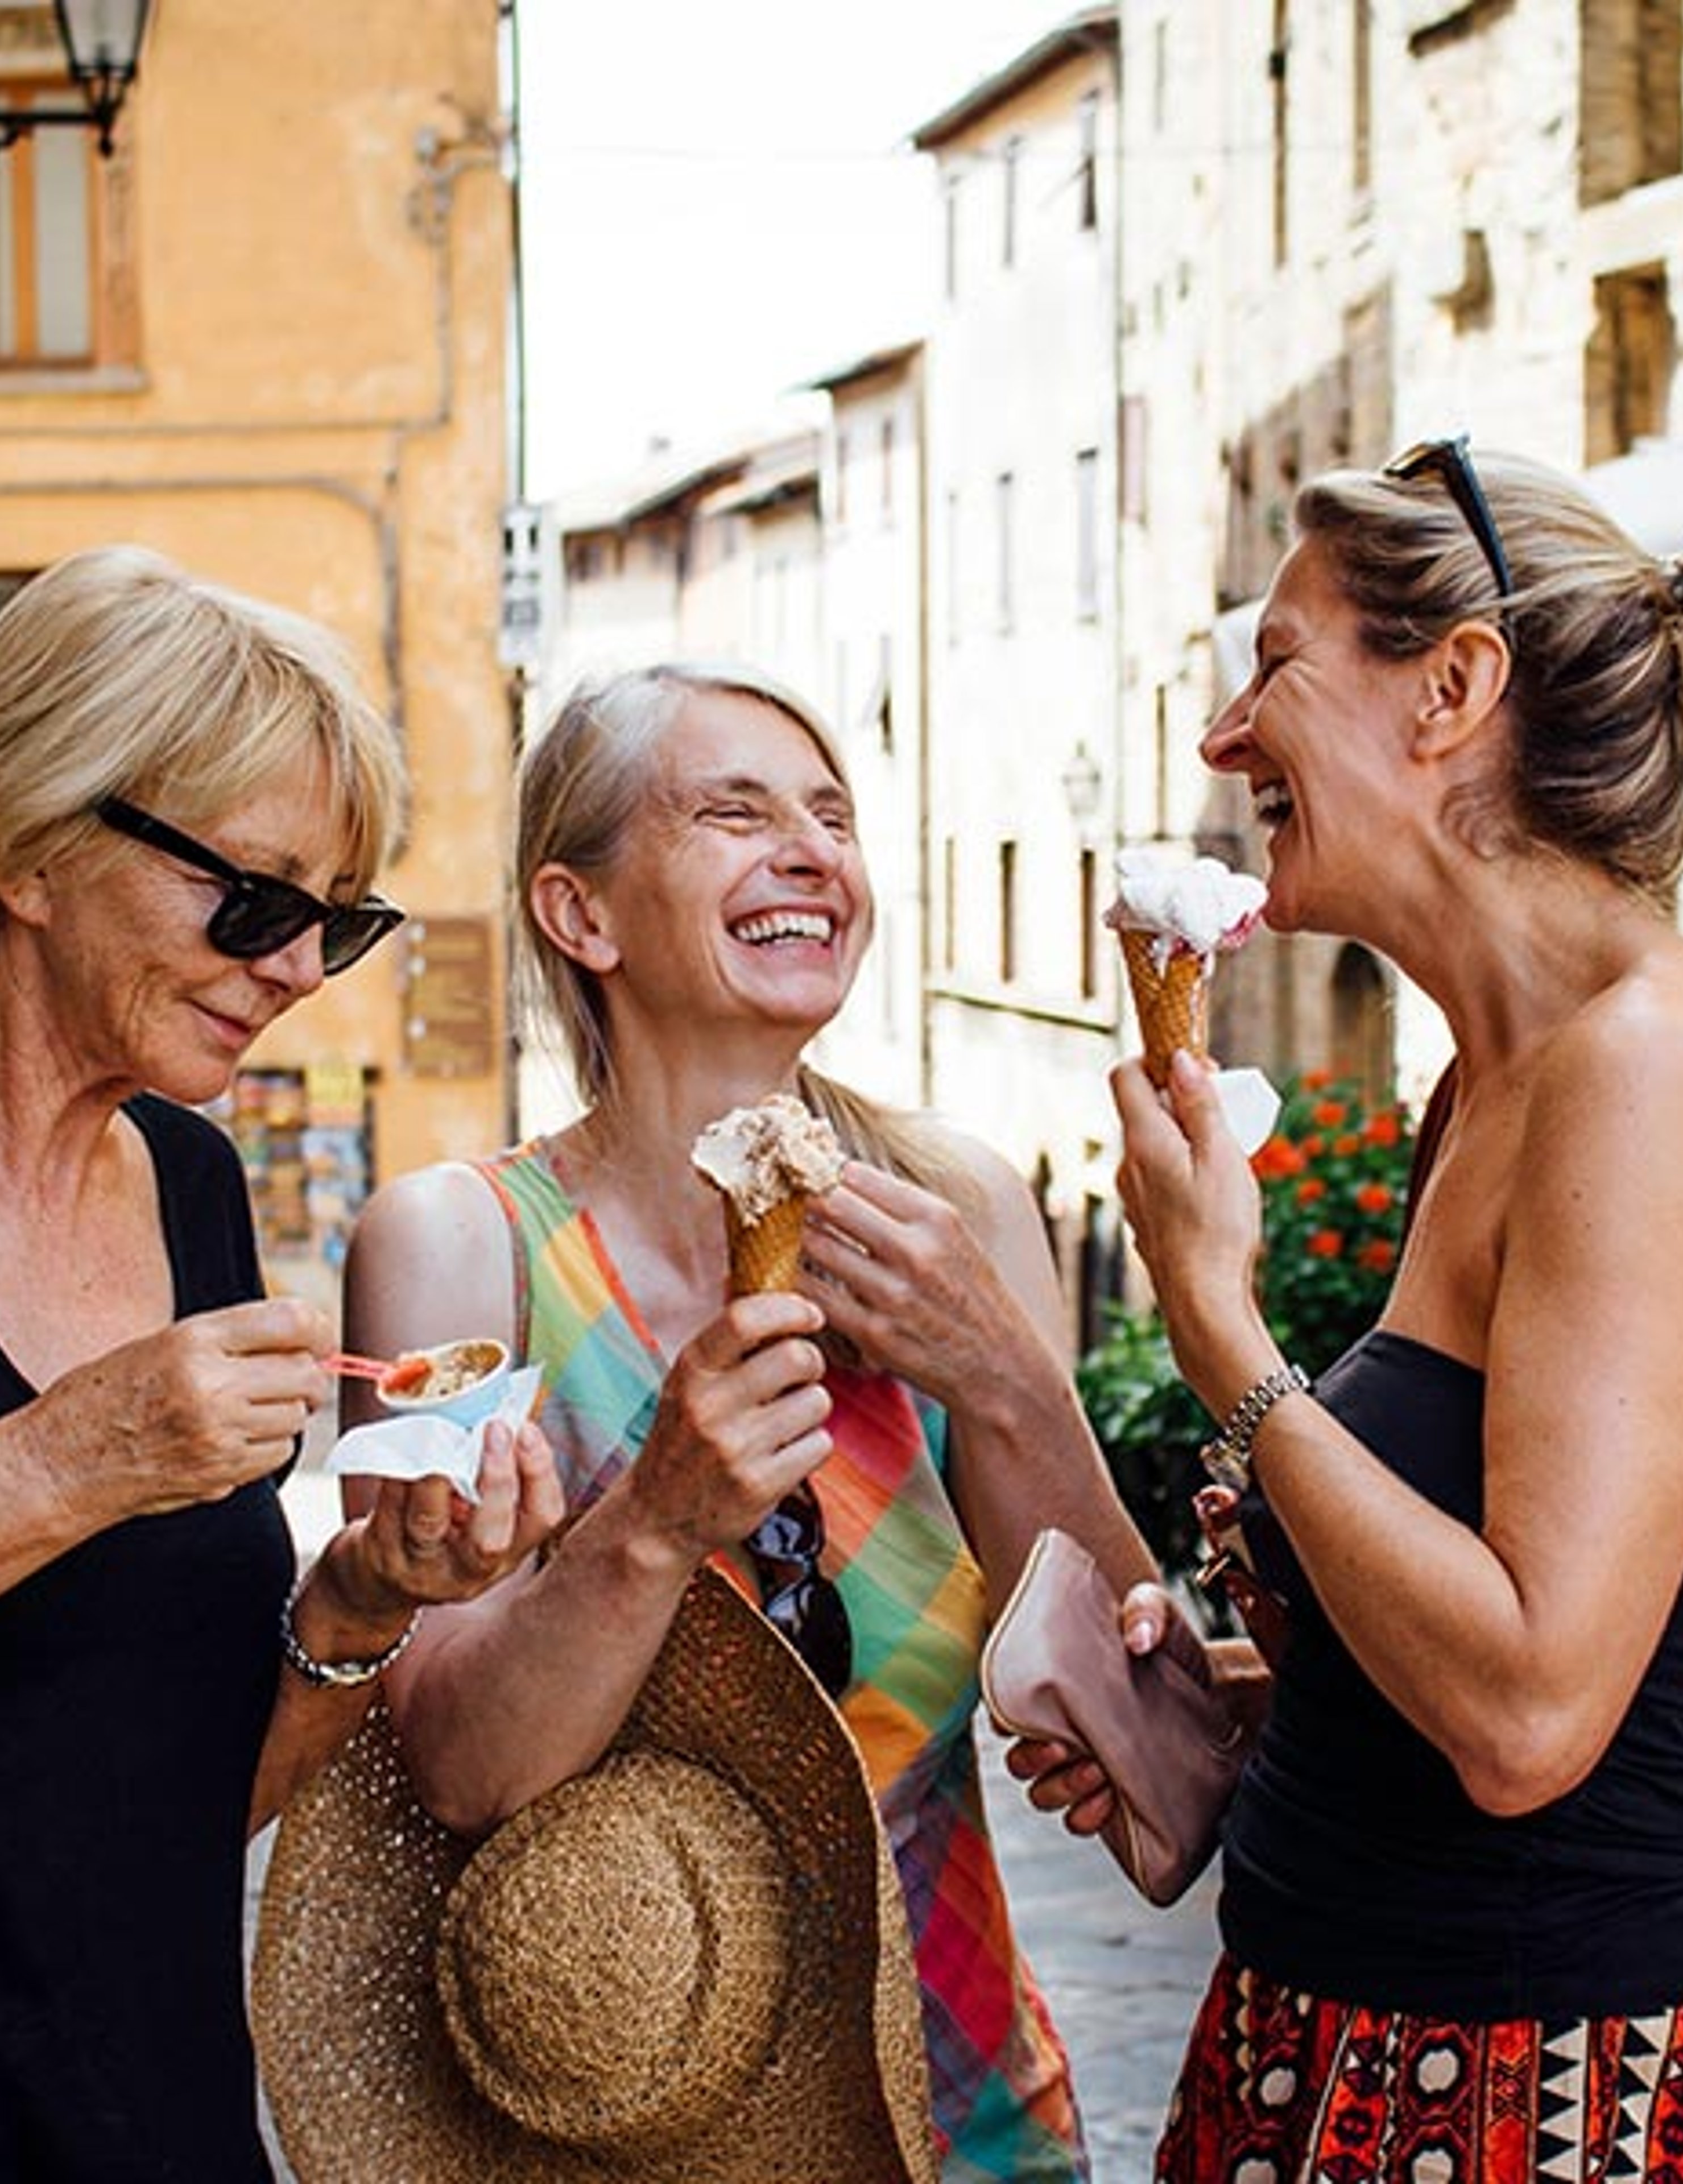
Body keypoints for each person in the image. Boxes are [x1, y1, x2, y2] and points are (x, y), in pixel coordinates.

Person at [1024, 439, 1683, 2182]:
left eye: (1277, 662)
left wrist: (1229, 1344)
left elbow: (1529, 1717)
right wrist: (1249, 1708)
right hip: (1329, 2049)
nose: (1224, 734)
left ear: (1454, 689)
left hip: (1533, 2098)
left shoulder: (1657, 1077)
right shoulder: (1488, 1084)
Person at [0, 545, 563, 2182]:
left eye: (341, 919)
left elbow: (172, 1810)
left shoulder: (187, 1178)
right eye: (252, 900)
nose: (300, 968)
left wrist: (363, 1607)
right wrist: (66, 1461)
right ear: (36, 846)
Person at [337, 660, 1162, 2183]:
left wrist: (1003, 1376)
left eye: (833, 817)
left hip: (966, 2117)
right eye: (735, 813)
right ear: (580, 916)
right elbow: (452, 1770)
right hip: (609, 2141)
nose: (811, 852)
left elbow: (1140, 1723)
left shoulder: (957, 1208)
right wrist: (648, 1521)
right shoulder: (458, 1252)